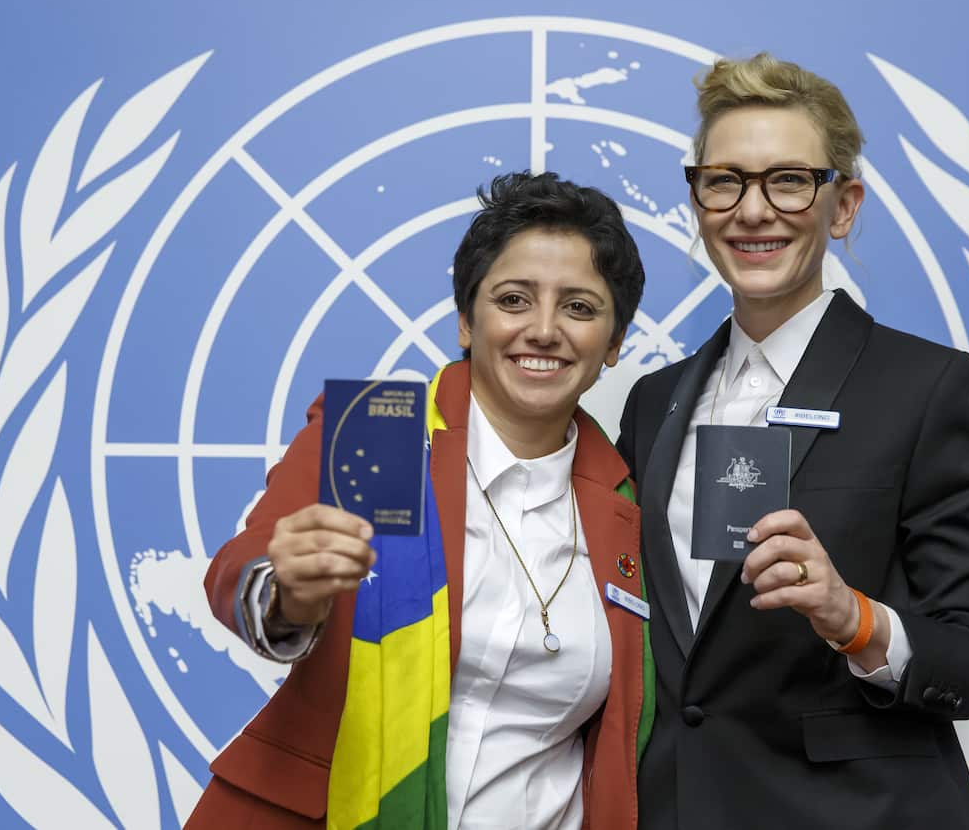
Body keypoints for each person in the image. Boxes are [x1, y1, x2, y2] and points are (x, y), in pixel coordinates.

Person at [187, 172, 652, 830]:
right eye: (514, 299)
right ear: (467, 321)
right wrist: (288, 589)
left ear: (614, 343)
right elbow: (244, 568)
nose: (544, 329)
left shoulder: (630, 504)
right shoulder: (386, 432)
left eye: (579, 307)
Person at [617, 53, 969, 829]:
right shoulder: (651, 402)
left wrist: (854, 617)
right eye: (724, 181)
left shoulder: (926, 386)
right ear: (696, 201)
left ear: (843, 206)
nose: (752, 210)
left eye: (789, 180)